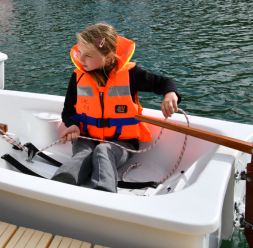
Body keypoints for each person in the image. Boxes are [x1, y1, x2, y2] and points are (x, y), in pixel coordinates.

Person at [51, 23, 180, 193]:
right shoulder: (77, 76)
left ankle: (105, 193)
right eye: (80, 53)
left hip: (123, 142)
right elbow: (68, 111)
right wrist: (72, 125)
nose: (81, 60)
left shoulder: (131, 75)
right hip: (86, 136)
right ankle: (58, 187)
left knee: (104, 151)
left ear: (109, 57)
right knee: (83, 153)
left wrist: (171, 95)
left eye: (88, 55)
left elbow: (164, 83)